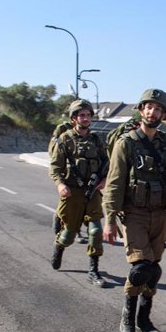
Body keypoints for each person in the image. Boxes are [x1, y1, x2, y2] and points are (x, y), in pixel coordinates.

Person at [102, 88, 166, 332]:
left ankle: (144, 317)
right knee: (140, 267)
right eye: (149, 107)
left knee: (154, 269)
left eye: (158, 108)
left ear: (164, 114)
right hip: (134, 214)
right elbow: (115, 183)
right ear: (141, 111)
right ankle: (128, 314)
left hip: (159, 213)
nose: (153, 112)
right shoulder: (126, 143)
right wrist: (109, 220)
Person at [48, 99, 108, 287]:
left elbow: (107, 164)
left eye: (88, 115)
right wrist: (60, 185)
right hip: (72, 194)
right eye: (82, 115)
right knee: (68, 235)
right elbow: (55, 168)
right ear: (74, 118)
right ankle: (59, 247)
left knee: (96, 230)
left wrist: (104, 180)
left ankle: (93, 270)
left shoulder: (97, 140)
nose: (85, 118)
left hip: (92, 193)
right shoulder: (65, 139)